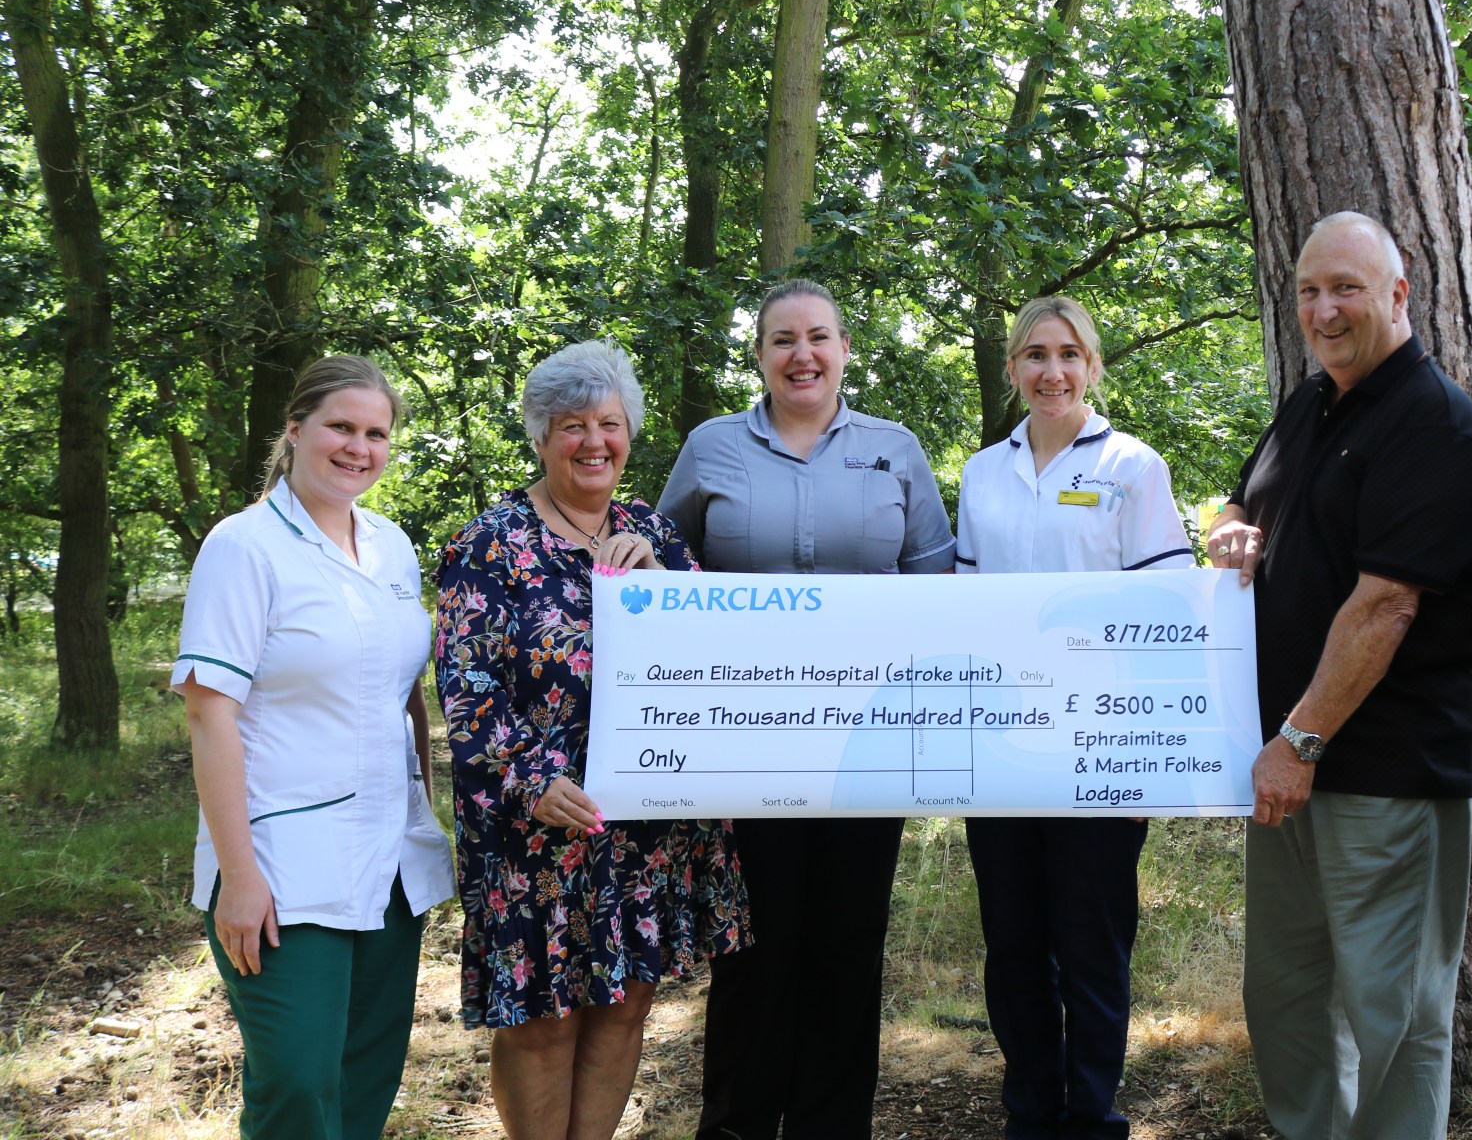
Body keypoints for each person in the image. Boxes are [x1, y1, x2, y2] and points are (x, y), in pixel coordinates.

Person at [1207, 213, 1472, 1139]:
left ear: (1400, 294)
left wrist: (1298, 739)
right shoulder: (1312, 401)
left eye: (1348, 289)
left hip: (1380, 771)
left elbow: (1388, 607)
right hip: (1286, 770)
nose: (1325, 310)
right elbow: (1243, 497)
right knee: (1286, 997)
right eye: (1308, 291)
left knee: (1395, 1014)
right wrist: (1227, 529)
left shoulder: (1434, 422)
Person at [661, 278, 956, 1140]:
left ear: (844, 350)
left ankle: (832, 1127)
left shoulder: (894, 449)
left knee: (847, 945)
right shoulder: (712, 447)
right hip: (742, 745)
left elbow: (937, 582)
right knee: (752, 948)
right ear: (758, 355)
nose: (803, 354)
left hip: (867, 746)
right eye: (783, 339)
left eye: (819, 337)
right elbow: (664, 566)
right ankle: (739, 1126)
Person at [435, 340, 750, 1140]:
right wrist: (531, 780)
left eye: (608, 424)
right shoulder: (490, 544)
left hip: (643, 829)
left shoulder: (656, 536)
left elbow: (715, 663)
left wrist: (666, 585)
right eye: (571, 425)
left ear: (629, 434)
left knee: (621, 1005)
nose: (592, 442)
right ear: (541, 438)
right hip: (538, 828)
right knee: (542, 1021)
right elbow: (468, 688)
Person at [176, 355, 455, 1140]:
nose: (358, 447)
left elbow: (407, 695)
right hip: (281, 864)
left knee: (365, 1076)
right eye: (341, 426)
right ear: (295, 431)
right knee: (297, 1085)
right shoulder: (244, 547)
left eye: (376, 432)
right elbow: (209, 715)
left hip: (390, 858)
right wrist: (238, 876)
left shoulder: (392, 546)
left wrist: (420, 815)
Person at [954, 296, 1193, 1139]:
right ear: (1015, 368)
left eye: (1068, 354)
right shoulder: (984, 472)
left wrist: (1152, 759)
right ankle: (1031, 1114)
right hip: (1003, 752)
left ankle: (1092, 1118)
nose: (1051, 370)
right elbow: (966, 612)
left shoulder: (1133, 466)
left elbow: (1170, 611)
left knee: (1092, 951)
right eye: (1034, 355)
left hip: (1102, 747)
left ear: (1092, 365)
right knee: (1014, 946)